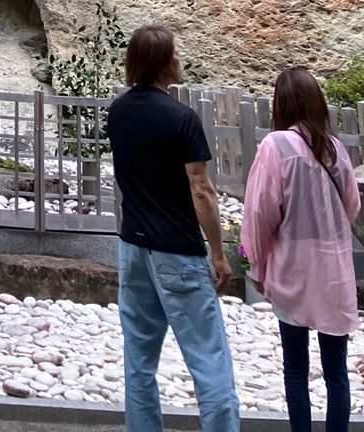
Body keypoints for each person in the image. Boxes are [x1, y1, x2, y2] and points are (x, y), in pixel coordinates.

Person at [106, 24, 239, 432]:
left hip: (133, 247)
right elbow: (201, 189)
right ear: (163, 63)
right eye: (174, 54)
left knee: (139, 362)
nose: (179, 60)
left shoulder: (118, 112)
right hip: (178, 250)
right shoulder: (182, 118)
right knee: (209, 360)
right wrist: (219, 253)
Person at [241, 66, 360, 432]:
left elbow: (260, 212)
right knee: (336, 371)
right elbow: (351, 207)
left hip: (293, 266)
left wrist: (257, 263)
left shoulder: (275, 146)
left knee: (295, 368)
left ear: (281, 104)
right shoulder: (336, 149)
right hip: (334, 269)